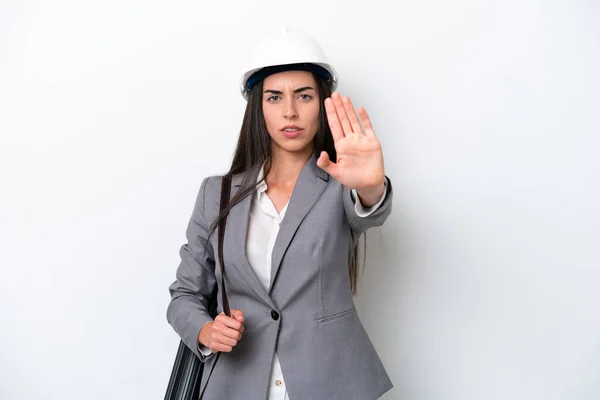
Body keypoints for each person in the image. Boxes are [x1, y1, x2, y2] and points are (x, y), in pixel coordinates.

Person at [167, 27, 394, 400]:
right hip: (237, 384)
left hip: (330, 382)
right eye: (275, 97)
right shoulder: (216, 194)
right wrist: (206, 331)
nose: (290, 111)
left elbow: (369, 211)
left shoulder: (341, 186)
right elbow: (185, 294)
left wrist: (370, 186)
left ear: (322, 102)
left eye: (303, 96)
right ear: (258, 107)